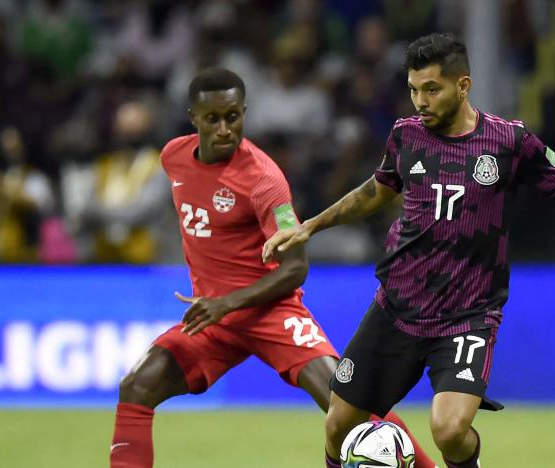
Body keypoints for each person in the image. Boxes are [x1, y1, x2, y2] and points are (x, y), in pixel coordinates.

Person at [262, 33, 555, 468]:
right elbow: (375, 192)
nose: (420, 100)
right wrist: (312, 226)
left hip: (466, 316)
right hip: (395, 308)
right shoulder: (405, 136)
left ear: (463, 85)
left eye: (431, 89)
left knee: (450, 431)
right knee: (339, 426)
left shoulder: (509, 141)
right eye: (414, 89)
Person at [109, 68, 436, 468]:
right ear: (193, 118)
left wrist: (227, 303)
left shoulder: (264, 180)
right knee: (137, 385)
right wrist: (221, 306)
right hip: (216, 320)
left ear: (244, 112)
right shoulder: (173, 157)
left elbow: (295, 268)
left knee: (348, 404)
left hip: (270, 314)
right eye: (213, 119)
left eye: (234, 116)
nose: (225, 128)